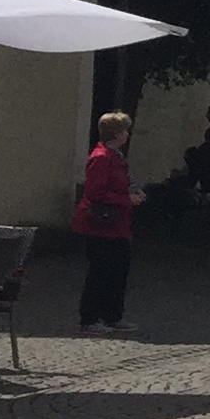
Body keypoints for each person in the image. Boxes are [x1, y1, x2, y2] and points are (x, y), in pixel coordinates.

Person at [72, 112, 145, 334]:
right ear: (115, 133)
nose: (127, 134)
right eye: (124, 130)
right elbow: (95, 192)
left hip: (117, 224)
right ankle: (90, 318)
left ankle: (113, 315)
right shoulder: (102, 157)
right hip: (101, 224)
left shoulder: (115, 156)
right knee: (100, 272)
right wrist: (127, 199)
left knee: (118, 270)